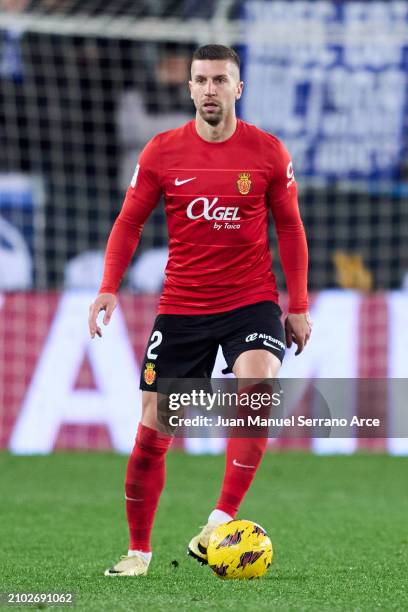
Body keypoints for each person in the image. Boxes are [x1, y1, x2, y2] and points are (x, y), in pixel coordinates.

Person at [88, 44, 312, 577]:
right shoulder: (163, 151)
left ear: (239, 88)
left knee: (258, 388)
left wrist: (298, 304)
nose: (209, 89)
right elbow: (128, 222)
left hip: (250, 301)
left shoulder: (268, 153)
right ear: (188, 88)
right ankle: (138, 551)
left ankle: (219, 520)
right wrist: (108, 287)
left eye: (220, 80)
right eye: (201, 80)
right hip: (183, 306)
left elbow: (291, 228)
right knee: (153, 430)